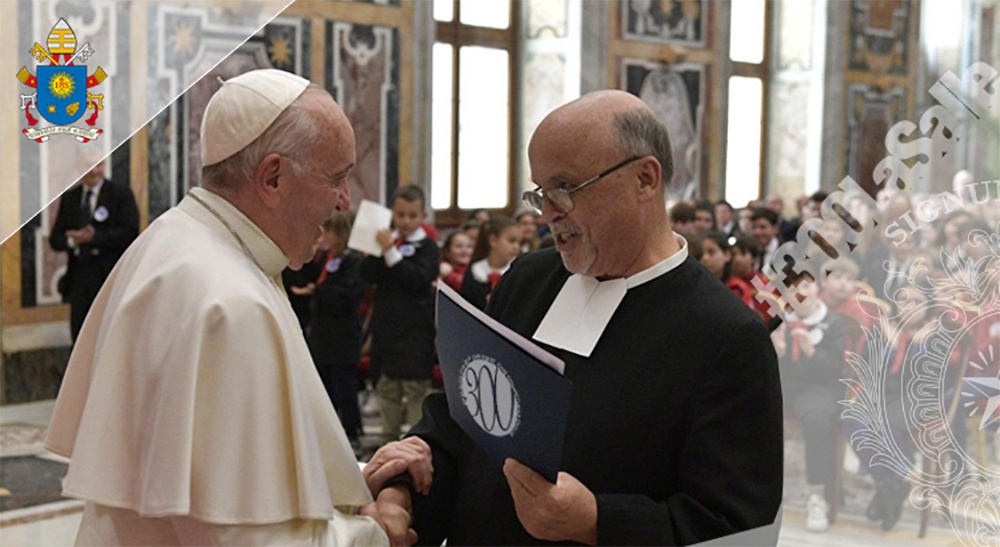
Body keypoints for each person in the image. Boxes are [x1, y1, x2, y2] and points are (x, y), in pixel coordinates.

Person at [366, 90, 783, 545]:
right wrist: (406, 487)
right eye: (540, 194)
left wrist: (598, 522)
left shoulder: (725, 337)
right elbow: (465, 418)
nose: (546, 215)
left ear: (645, 179)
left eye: (564, 190)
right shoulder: (530, 278)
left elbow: (736, 530)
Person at [43, 69, 421, 546]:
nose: (345, 201)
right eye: (337, 179)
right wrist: (379, 530)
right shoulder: (229, 303)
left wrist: (352, 480)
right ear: (273, 177)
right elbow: (249, 538)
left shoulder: (173, 241)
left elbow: (227, 485)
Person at [359, 185, 439, 446]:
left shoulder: (427, 247)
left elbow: (418, 280)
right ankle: (387, 446)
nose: (405, 221)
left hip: (415, 333)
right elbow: (367, 275)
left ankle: (417, 448)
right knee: (388, 394)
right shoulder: (386, 241)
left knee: (416, 397)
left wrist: (392, 253)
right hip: (387, 331)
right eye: (400, 214)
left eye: (412, 215)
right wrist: (374, 249)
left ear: (422, 215)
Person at [49, 154, 139, 344]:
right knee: (80, 335)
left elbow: (130, 232)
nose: (94, 171)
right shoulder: (70, 198)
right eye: (88, 165)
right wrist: (74, 241)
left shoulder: (120, 194)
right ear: (79, 167)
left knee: (107, 335)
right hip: (79, 277)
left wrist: (95, 238)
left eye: (98, 165)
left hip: (108, 274)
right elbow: (55, 239)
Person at [307, 212, 367, 449]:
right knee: (326, 387)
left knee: (345, 387)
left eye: (328, 230)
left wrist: (317, 291)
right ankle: (329, 434)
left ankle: (352, 432)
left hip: (342, 336)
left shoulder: (353, 260)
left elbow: (349, 294)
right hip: (324, 334)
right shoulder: (326, 258)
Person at [459, 216, 521, 310]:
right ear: (493, 240)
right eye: (511, 241)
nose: (516, 247)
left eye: (519, 242)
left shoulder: (517, 271)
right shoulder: (475, 271)